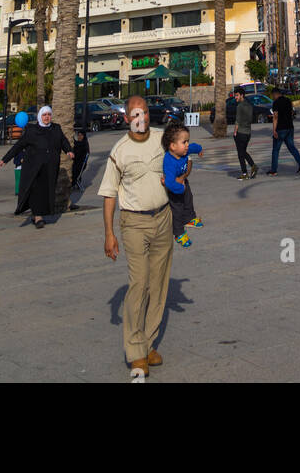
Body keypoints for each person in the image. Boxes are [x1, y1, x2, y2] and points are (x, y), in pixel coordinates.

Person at [99, 95, 173, 381]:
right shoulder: (120, 151)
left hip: (163, 218)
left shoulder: (162, 139)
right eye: (134, 113)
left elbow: (182, 164)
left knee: (159, 285)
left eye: (143, 112)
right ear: (127, 117)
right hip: (133, 223)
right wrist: (109, 234)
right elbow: (109, 195)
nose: (140, 118)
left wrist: (184, 171)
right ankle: (135, 353)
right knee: (139, 284)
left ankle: (149, 343)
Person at [0, 105, 73, 229]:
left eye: (49, 115)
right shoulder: (32, 130)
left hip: (50, 167)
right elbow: (19, 145)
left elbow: (63, 141)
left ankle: (38, 214)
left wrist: (68, 151)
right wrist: (6, 159)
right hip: (34, 168)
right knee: (36, 191)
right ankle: (38, 217)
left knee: (46, 192)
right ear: (40, 116)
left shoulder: (56, 129)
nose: (47, 117)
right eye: (44, 115)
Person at [161, 123, 203, 245]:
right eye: (184, 142)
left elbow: (193, 147)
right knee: (177, 209)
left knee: (189, 199)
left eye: (187, 141)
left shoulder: (184, 150)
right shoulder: (169, 161)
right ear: (173, 146)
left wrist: (199, 149)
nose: (187, 145)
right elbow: (169, 182)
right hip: (174, 188)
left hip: (183, 182)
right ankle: (178, 233)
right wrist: (180, 188)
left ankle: (189, 219)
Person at [266, 85, 300, 175]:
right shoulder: (288, 100)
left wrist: (274, 130)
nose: (272, 97)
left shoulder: (276, 103)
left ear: (275, 94)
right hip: (290, 127)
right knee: (292, 148)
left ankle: (273, 170)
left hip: (280, 129)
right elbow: (291, 113)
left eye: (272, 95)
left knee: (275, 150)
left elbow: (276, 117)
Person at [233, 86, 257, 179]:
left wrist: (235, 132)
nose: (235, 97)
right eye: (235, 96)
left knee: (240, 154)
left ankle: (246, 172)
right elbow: (250, 119)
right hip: (248, 133)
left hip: (240, 133)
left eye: (237, 95)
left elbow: (237, 120)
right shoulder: (249, 105)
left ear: (242, 95)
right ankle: (252, 167)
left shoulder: (239, 106)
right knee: (243, 152)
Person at [71, 127, 90, 196]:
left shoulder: (84, 144)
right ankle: (75, 184)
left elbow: (85, 154)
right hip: (76, 162)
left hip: (81, 163)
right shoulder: (77, 144)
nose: (79, 137)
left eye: (81, 135)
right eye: (78, 135)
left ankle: (76, 184)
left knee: (76, 173)